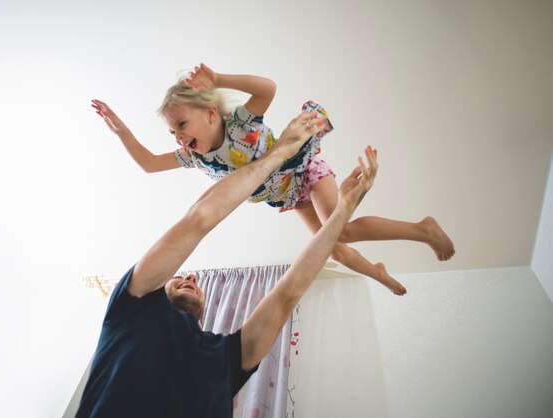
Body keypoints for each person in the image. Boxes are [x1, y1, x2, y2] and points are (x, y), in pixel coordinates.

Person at [75, 110, 378, 418]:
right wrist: (281, 152)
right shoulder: (131, 308)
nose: (191, 277)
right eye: (181, 278)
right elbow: (199, 219)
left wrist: (342, 212)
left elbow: (288, 293)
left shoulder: (229, 358)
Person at [91, 64, 455, 295]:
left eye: (182, 125)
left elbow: (267, 89)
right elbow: (150, 164)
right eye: (172, 132)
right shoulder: (195, 157)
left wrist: (219, 79)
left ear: (211, 113)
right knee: (329, 247)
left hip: (301, 169)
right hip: (287, 196)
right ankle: (379, 274)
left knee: (338, 230)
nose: (178, 138)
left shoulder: (241, 125)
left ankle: (423, 229)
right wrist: (121, 130)